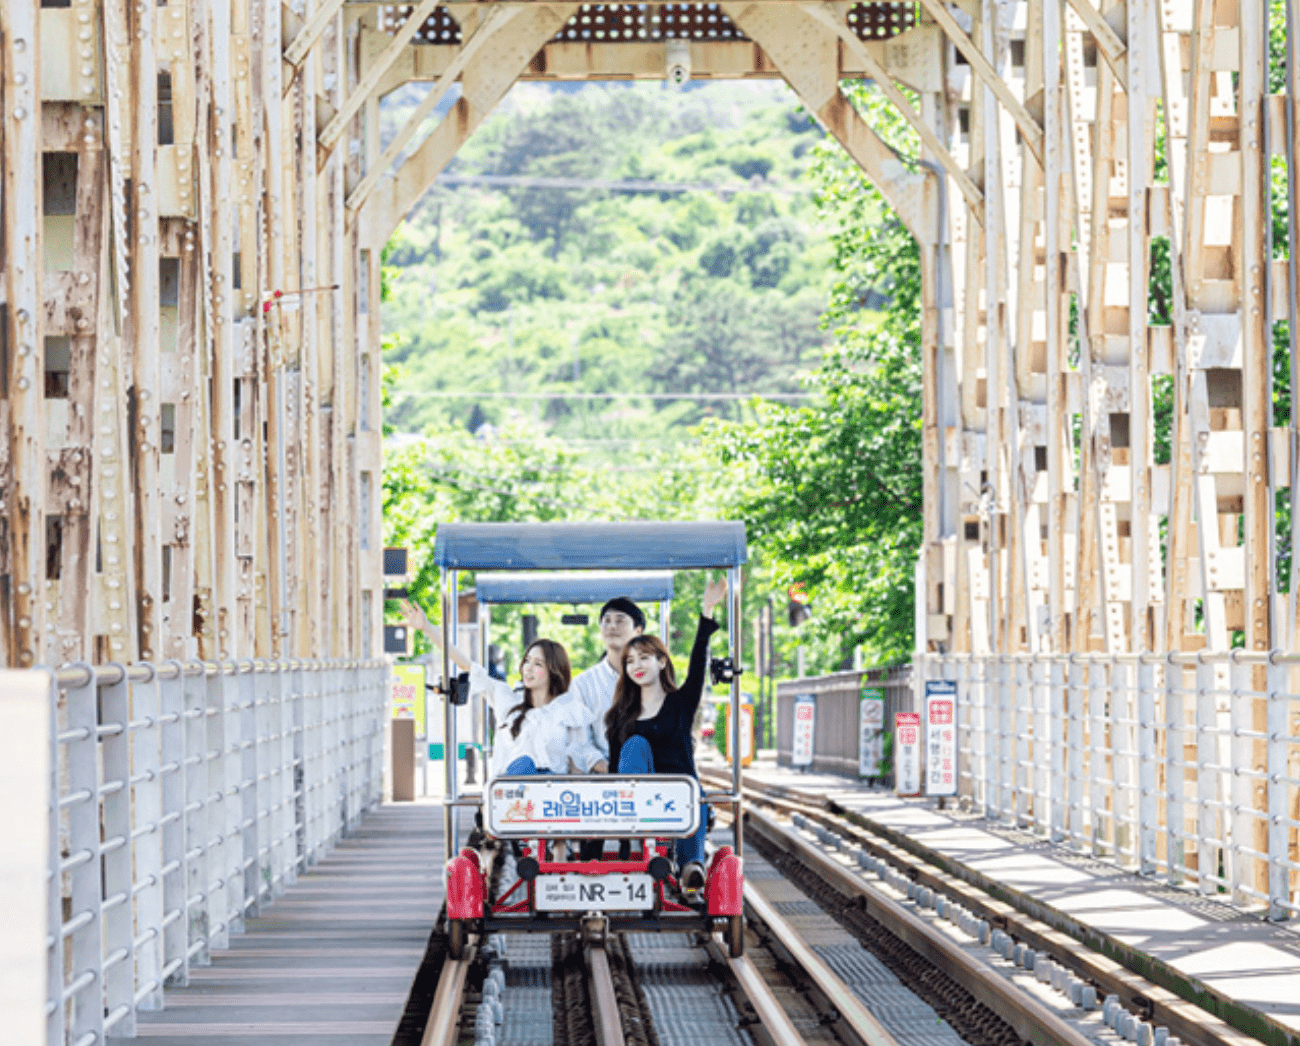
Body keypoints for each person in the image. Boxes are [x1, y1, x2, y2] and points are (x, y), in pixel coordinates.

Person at [605, 577, 727, 891]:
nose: (636, 666)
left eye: (644, 658)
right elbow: (618, 766)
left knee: (693, 799)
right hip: (639, 798)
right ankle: (637, 849)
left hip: (679, 794)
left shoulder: (680, 703)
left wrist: (708, 610)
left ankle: (691, 867)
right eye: (630, 661)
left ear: (661, 662)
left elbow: (699, 664)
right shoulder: (620, 714)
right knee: (634, 743)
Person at [400, 601, 590, 777]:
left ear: (554, 671)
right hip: (513, 795)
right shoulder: (507, 698)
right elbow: (468, 665)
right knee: (524, 763)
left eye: (538, 664)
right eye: (527, 661)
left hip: (551, 795)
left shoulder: (568, 708)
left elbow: (578, 760)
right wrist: (427, 628)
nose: (528, 668)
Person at [568, 596, 645, 774]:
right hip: (603, 778)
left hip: (648, 773)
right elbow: (580, 742)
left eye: (619, 620)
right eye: (606, 621)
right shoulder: (582, 684)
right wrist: (609, 769)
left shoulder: (652, 678)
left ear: (638, 631)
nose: (611, 626)